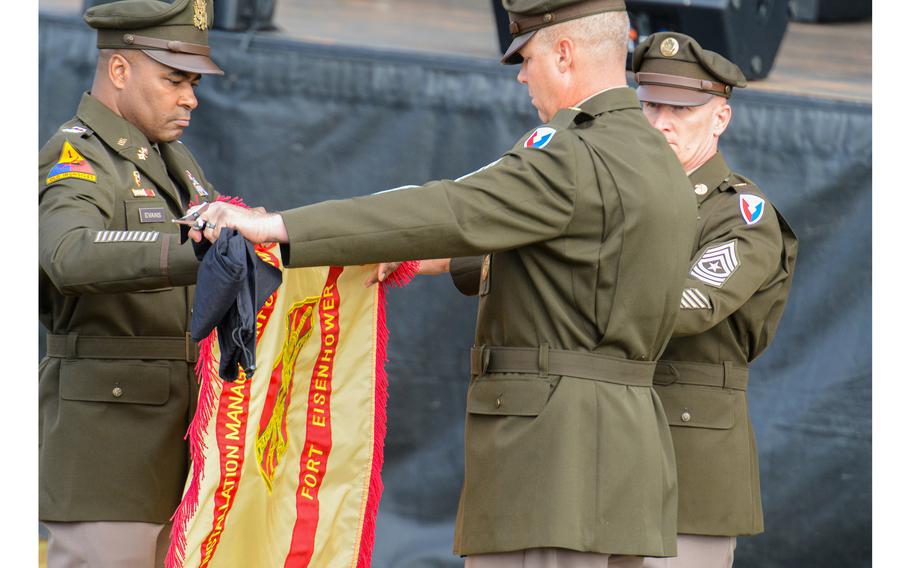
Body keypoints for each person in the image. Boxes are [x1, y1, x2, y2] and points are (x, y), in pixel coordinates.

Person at [190, 1, 697, 566]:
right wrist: (426, 262)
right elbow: (574, 266)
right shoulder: (658, 160)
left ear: (564, 52)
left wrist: (277, 228)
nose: (524, 77)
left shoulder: (571, 155)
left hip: (551, 467)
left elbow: (448, 207)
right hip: (627, 462)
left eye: (526, 59)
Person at [38, 1, 223, 566]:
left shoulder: (172, 159)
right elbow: (69, 255)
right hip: (108, 462)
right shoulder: (77, 159)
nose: (190, 97)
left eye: (193, 82)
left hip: (178, 455)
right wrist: (195, 249)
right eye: (174, 79)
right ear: (120, 71)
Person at [631, 33, 799, 568]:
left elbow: (687, 306)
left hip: (690, 472)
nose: (662, 122)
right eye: (652, 104)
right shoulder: (619, 196)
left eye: (681, 108)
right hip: (604, 456)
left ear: (720, 118)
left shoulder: (742, 214)